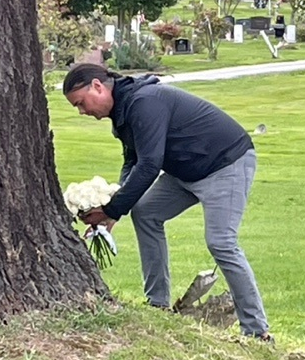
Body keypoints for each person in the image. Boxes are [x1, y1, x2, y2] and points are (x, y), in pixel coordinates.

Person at [62, 63, 272, 341]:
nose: (82, 111)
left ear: (98, 87)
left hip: (225, 163)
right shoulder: (123, 110)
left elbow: (149, 165)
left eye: (81, 103)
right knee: (146, 213)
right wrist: (114, 208)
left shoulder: (143, 103)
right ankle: (157, 304)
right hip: (186, 171)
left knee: (221, 242)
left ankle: (257, 331)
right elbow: (133, 161)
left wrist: (111, 209)